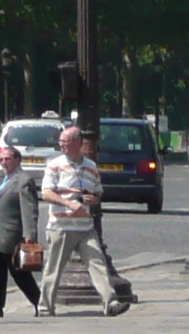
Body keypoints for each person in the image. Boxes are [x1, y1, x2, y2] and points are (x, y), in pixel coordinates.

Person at [39, 123, 138, 315]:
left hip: (85, 226)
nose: (62, 145)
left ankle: (110, 303)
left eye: (65, 142)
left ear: (77, 142)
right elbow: (46, 193)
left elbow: (98, 192)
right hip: (61, 225)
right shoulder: (55, 165)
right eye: (60, 142)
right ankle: (45, 308)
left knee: (98, 263)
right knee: (53, 268)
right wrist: (69, 204)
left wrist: (94, 200)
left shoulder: (91, 166)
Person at [0, 140, 37, 319]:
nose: (4, 162)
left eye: (7, 159)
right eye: (1, 159)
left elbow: (29, 210)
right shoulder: (1, 180)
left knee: (21, 276)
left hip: (12, 237)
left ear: (17, 160)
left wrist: (30, 235)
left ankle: (39, 302)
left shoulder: (24, 181)